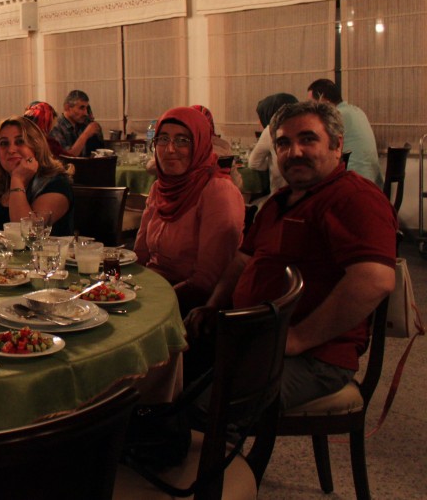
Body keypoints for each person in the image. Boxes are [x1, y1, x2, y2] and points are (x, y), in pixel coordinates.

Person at [187, 101, 396, 409]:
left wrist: (298, 338)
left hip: (313, 357)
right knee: (168, 370)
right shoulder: (280, 200)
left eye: (308, 139)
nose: (294, 152)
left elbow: (375, 279)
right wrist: (213, 304)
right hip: (251, 336)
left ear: (337, 145)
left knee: (203, 406)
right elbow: (243, 259)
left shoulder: (354, 198)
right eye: (284, 143)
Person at [133, 107, 245, 316]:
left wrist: (149, 301)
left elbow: (206, 281)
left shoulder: (218, 191)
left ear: (200, 145)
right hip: (153, 287)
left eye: (182, 140)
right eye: (163, 139)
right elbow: (140, 254)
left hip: (193, 306)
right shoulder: (160, 187)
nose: (170, 149)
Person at [0, 116, 74, 236]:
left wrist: (17, 179)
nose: (11, 150)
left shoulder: (56, 184)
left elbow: (27, 235)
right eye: (4, 143)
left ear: (36, 146)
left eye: (20, 141)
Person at [307, 78, 383, 187]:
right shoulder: (357, 111)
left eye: (312, 104)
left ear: (323, 100)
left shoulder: (335, 116)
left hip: (354, 184)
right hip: (373, 183)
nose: (311, 109)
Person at [248, 93, 298, 196]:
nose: (258, 122)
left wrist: (270, 162)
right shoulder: (305, 126)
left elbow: (254, 163)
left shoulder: (271, 130)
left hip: (279, 196)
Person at [50, 90, 104, 157]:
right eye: (81, 108)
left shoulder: (82, 122)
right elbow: (67, 157)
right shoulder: (56, 127)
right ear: (67, 108)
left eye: (86, 108)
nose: (85, 113)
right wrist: (86, 134)